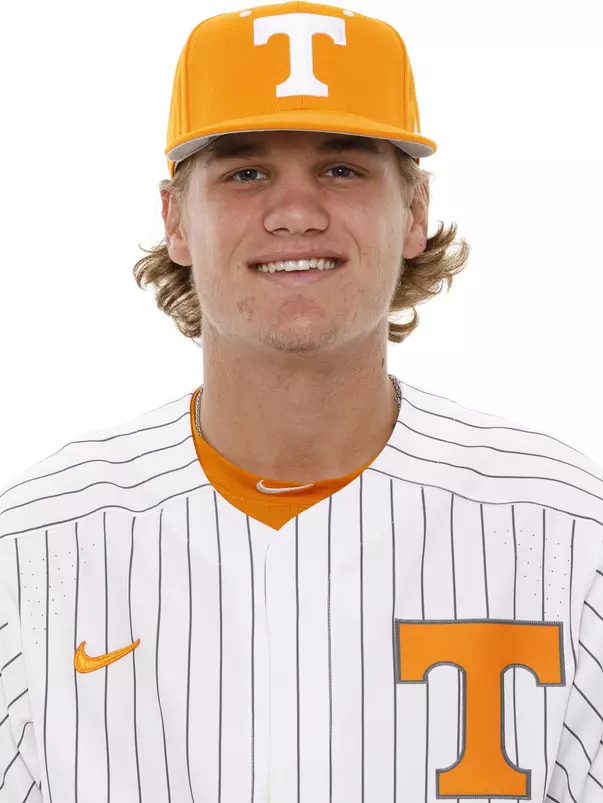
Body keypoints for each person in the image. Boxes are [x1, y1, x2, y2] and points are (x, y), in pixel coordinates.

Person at [1, 2, 602, 801]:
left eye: (342, 168)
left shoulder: (563, 527)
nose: (294, 213)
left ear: (413, 212)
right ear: (176, 219)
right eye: (245, 172)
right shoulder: (35, 547)